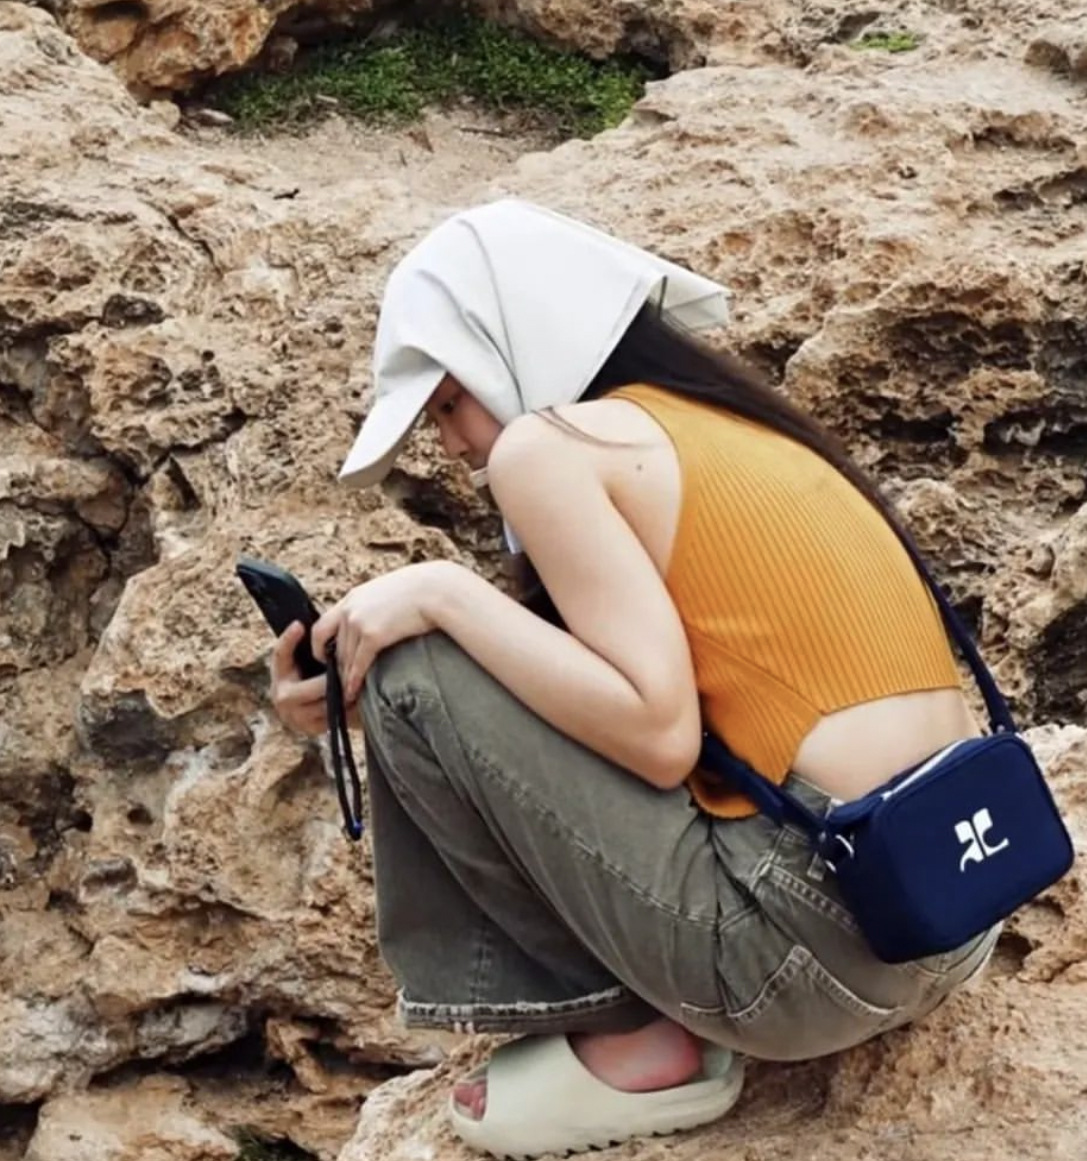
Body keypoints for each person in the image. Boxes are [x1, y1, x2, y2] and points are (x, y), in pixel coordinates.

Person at [268, 199, 1000, 1159]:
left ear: (513, 341)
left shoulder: (549, 447)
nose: (449, 444)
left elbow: (658, 738)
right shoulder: (732, 424)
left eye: (448, 403)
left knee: (414, 669)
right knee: (439, 665)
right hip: (954, 904)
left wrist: (443, 593)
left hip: (804, 961)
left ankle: (633, 1036)